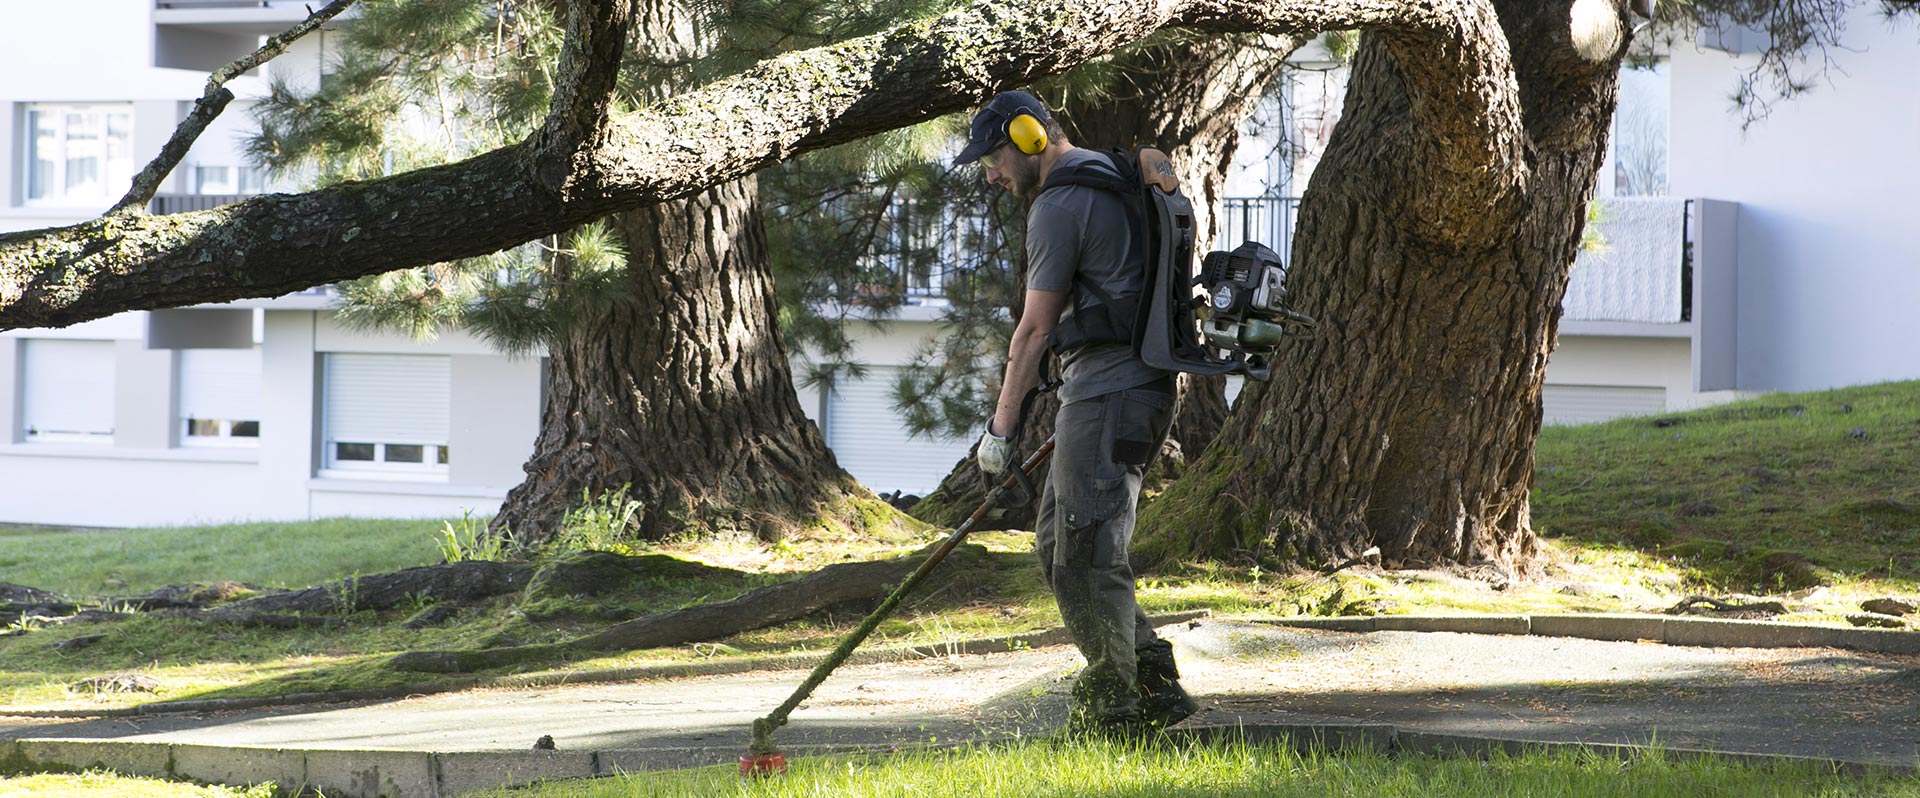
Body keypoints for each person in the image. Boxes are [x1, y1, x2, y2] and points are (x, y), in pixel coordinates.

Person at [956, 90, 1198, 736]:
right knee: (1057, 542)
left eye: (993, 155)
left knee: (1086, 556)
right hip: (1136, 389)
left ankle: (1114, 709)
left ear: (1031, 136)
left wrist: (1000, 430)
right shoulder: (1118, 177)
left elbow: (1033, 333)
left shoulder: (1060, 204)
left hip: (1107, 395)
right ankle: (1150, 675)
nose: (990, 173)